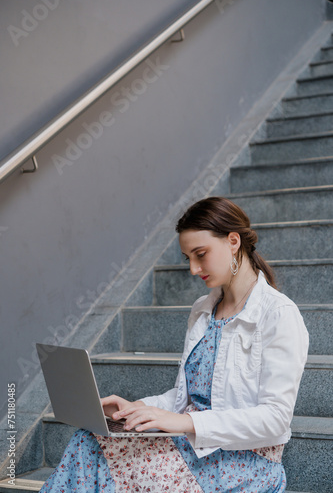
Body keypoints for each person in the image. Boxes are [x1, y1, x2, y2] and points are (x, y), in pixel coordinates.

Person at [39, 196, 309, 492]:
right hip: (195, 445)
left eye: (200, 254)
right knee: (87, 440)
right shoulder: (202, 310)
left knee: (140, 472)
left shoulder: (278, 314)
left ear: (233, 241)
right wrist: (138, 408)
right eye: (188, 258)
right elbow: (186, 396)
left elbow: (275, 419)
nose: (193, 268)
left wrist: (184, 423)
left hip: (244, 460)